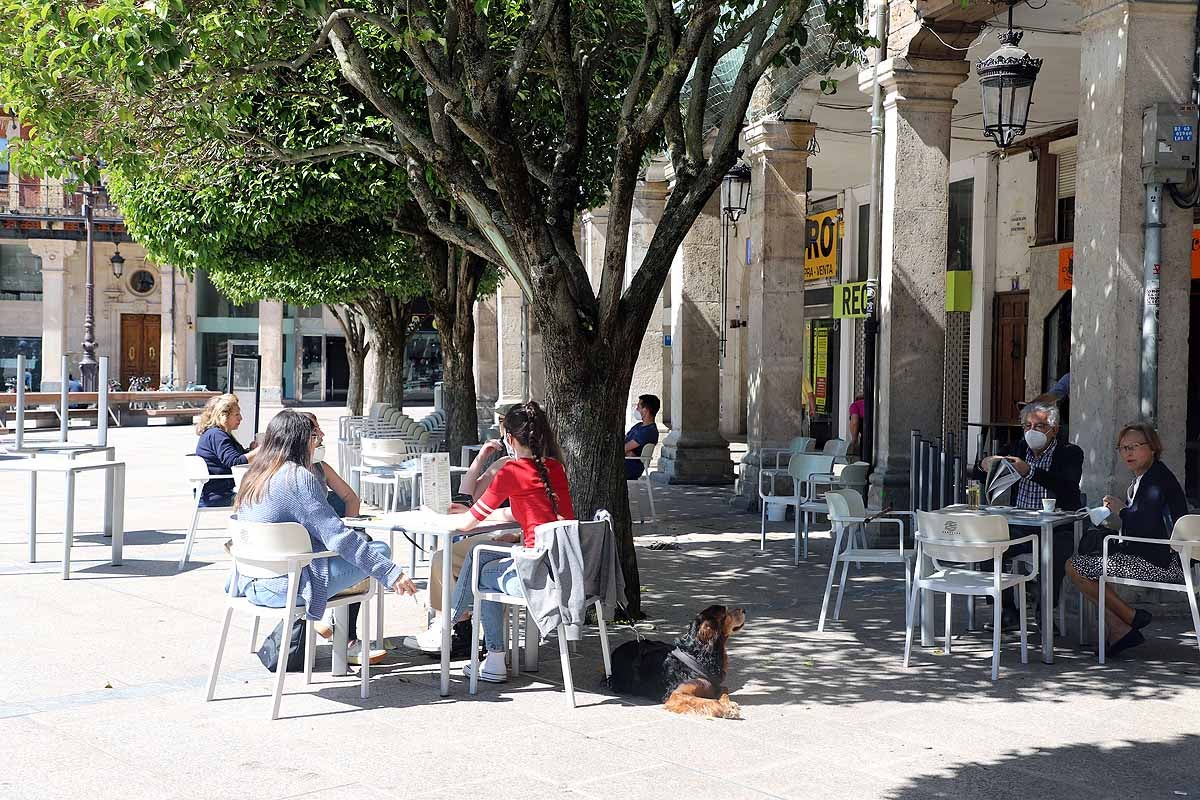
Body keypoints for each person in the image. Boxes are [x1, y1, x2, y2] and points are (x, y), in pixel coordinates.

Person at [230, 410, 418, 665]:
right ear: (302, 439)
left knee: (358, 552)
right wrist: (391, 572)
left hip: (249, 582)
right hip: (287, 585)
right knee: (379, 550)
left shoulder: (253, 476)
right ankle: (346, 637)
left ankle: (339, 634)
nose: (318, 441)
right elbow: (337, 537)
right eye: (315, 435)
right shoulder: (297, 477)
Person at [408, 401, 573, 683]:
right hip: (562, 569)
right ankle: (467, 638)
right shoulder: (554, 468)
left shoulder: (511, 472)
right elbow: (528, 508)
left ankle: (455, 630)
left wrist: (433, 515)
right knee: (482, 558)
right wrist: (481, 514)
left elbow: (466, 524)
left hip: (535, 576)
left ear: (509, 438)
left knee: (479, 570)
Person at [1066, 423, 1189, 657]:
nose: (1127, 453)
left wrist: (1121, 510)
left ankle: (1129, 618)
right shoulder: (1148, 477)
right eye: (1122, 448)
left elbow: (1144, 525)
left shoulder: (1155, 480)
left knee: (1075, 567)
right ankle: (1120, 629)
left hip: (1163, 564)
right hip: (1161, 557)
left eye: (1134, 447)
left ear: (1152, 448)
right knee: (1088, 563)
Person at [972, 400, 1084, 630]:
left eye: (1039, 426)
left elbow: (1067, 485)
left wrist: (1030, 471)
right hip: (1021, 525)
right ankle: (1005, 610)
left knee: (1053, 553)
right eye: (1027, 426)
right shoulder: (1016, 448)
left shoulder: (1070, 453)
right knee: (988, 546)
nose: (1031, 431)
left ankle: (1044, 611)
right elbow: (979, 473)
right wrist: (985, 464)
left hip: (1057, 527)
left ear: (1054, 430)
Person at [194, 394, 258, 507]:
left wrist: (251, 450)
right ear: (223, 416)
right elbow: (235, 462)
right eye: (236, 414)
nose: (240, 418)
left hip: (215, 492)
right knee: (266, 498)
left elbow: (234, 457)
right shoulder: (217, 435)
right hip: (218, 495)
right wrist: (262, 450)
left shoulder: (217, 433)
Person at [298, 412, 360, 517]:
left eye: (319, 429)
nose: (321, 435)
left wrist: (352, 526)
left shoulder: (320, 467)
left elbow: (351, 498)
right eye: (315, 432)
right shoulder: (287, 473)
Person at [624, 394, 660, 480]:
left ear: (646, 410)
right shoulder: (639, 426)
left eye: (638, 406)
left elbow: (623, 448)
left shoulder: (648, 431)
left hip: (630, 467)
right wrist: (628, 452)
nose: (636, 409)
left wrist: (627, 451)